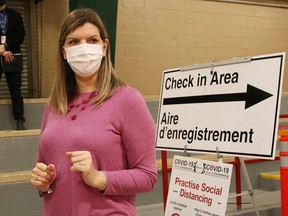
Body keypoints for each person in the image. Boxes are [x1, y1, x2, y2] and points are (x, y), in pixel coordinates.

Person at [30, 8, 157, 216]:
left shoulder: (128, 100)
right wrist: (43, 183)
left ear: (104, 47)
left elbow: (147, 176)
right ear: (64, 51)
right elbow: (44, 167)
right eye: (74, 42)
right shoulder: (54, 104)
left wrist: (99, 177)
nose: (84, 48)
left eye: (92, 40)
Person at [0, 0, 26, 130]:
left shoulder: (15, 15)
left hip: (12, 55)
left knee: (16, 90)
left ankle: (20, 120)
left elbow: (21, 35)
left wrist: (6, 46)